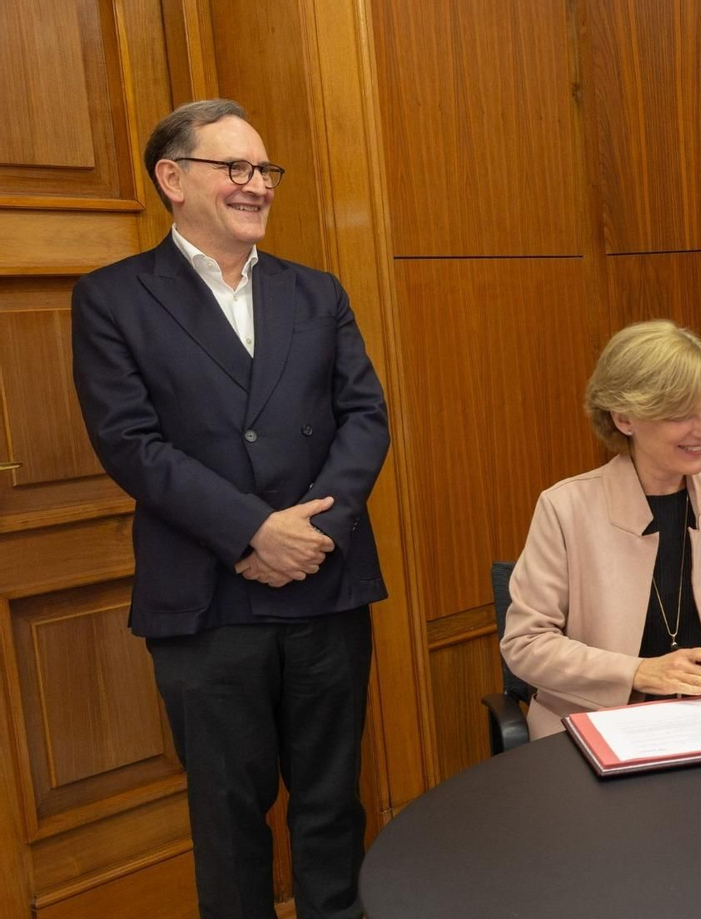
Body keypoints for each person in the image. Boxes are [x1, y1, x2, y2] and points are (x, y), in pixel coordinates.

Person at [71, 99, 389, 919]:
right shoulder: (112, 298)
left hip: (325, 586)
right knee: (226, 819)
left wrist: (309, 534)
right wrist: (253, 529)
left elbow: (365, 418)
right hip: (205, 601)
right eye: (234, 169)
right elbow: (131, 444)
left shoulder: (316, 292)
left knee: (331, 806)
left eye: (264, 170)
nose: (256, 186)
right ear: (171, 179)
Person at [502, 320, 701, 740]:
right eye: (681, 414)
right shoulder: (565, 507)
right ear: (624, 418)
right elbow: (526, 645)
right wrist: (639, 671)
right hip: (597, 730)